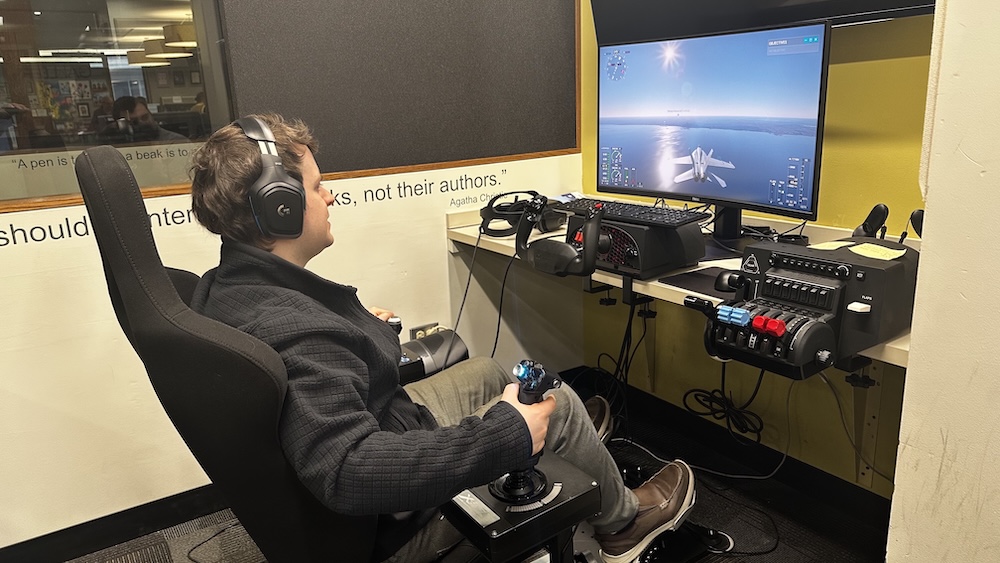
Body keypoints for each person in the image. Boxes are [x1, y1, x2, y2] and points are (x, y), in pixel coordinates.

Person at [187, 113, 696, 563]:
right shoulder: (296, 328)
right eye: (317, 186)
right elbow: (347, 470)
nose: (330, 195)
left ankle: (575, 451)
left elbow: (323, 371)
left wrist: (365, 332)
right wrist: (507, 435)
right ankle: (622, 525)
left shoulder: (227, 287)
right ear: (280, 206)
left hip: (387, 420)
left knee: (493, 372)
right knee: (556, 401)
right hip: (390, 524)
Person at [99, 95, 187, 143]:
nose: (142, 123)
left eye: (145, 117)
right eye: (134, 122)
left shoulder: (175, 142)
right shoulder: (118, 146)